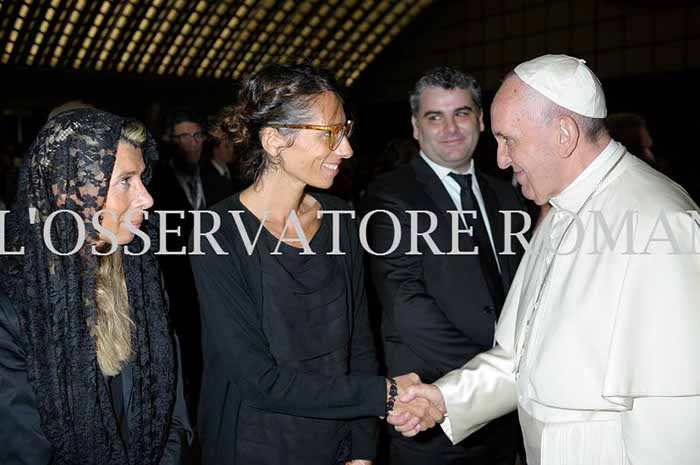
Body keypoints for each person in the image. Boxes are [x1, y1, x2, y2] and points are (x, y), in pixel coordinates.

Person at [389, 54, 700, 465]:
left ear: (564, 134)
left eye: (509, 140)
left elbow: (677, 414)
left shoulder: (662, 221)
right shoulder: (558, 210)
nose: (500, 159)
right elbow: (523, 356)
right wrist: (446, 397)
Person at [189, 63, 443, 465]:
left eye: (346, 131)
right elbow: (258, 380)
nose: (346, 149)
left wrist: (362, 448)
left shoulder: (341, 217)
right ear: (274, 140)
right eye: (329, 133)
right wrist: (382, 395)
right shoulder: (217, 232)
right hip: (255, 445)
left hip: (336, 438)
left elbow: (359, 345)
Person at [0, 108, 191, 464]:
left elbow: (172, 412)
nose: (146, 198)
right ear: (72, 193)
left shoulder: (142, 276)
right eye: (125, 181)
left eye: (142, 178)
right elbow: (20, 449)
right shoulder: (14, 306)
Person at [362, 66, 526, 465]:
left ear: (482, 121)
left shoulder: (508, 195)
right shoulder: (389, 195)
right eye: (435, 116)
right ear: (416, 127)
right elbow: (406, 306)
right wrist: (492, 378)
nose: (450, 127)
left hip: (507, 420)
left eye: (462, 113)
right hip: (433, 409)